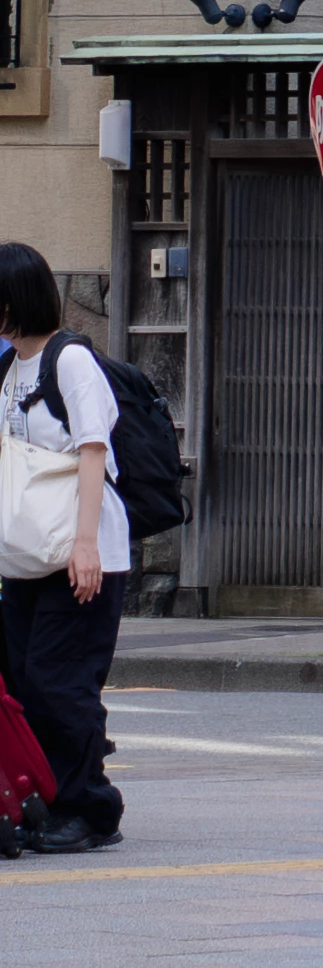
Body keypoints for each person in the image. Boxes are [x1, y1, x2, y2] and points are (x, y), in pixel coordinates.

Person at [0, 243, 127, 857]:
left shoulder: (69, 360)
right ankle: (55, 799)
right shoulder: (9, 369)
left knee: (61, 682)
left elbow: (93, 451)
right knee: (27, 682)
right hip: (28, 557)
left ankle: (90, 809)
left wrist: (85, 546)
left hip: (83, 551)